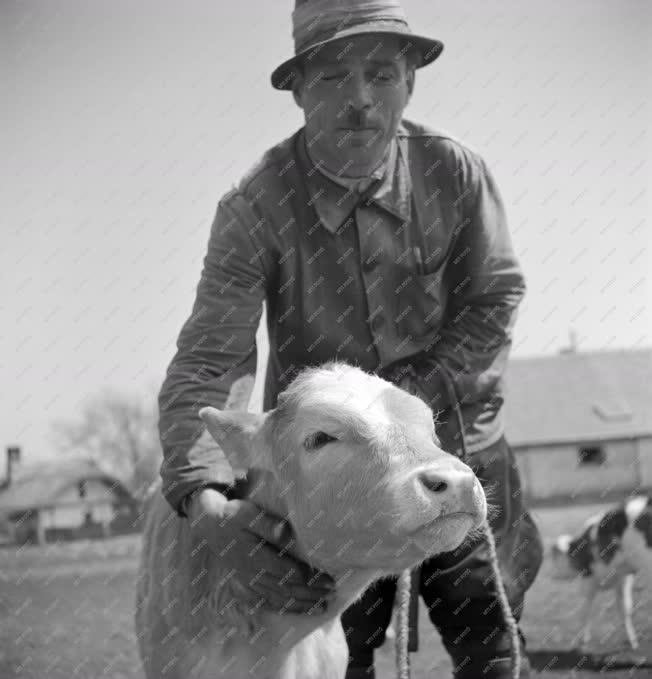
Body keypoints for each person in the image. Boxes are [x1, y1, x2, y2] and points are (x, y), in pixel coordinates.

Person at [157, 1, 544, 677]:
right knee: (336, 656)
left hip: (458, 438)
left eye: (381, 73)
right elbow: (213, 356)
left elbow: (495, 297)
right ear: (300, 91)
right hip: (330, 473)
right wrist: (206, 495)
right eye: (334, 77)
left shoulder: (455, 172)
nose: (361, 99)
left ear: (411, 81)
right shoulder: (253, 208)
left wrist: (405, 402)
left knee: (494, 647)